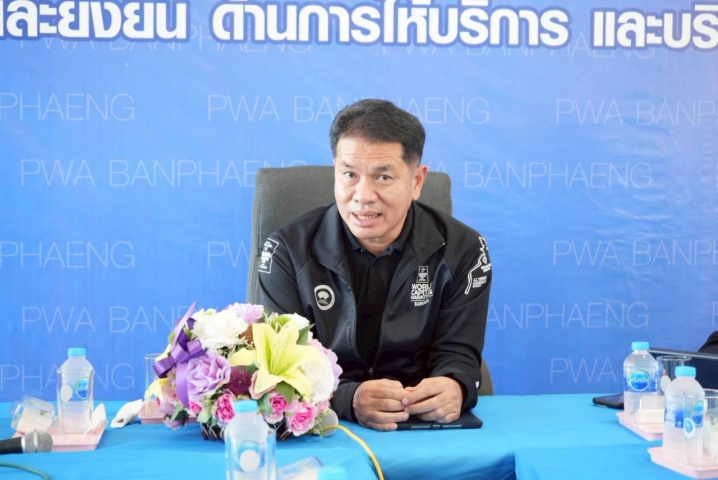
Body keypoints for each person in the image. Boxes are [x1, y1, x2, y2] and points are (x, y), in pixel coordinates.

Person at [258, 99, 492, 431]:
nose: (363, 195)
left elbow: (460, 354)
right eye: (349, 175)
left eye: (383, 177)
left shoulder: (463, 249)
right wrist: (347, 398)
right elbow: (281, 366)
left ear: (416, 181)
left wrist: (455, 386)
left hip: (420, 422)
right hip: (327, 424)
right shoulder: (287, 251)